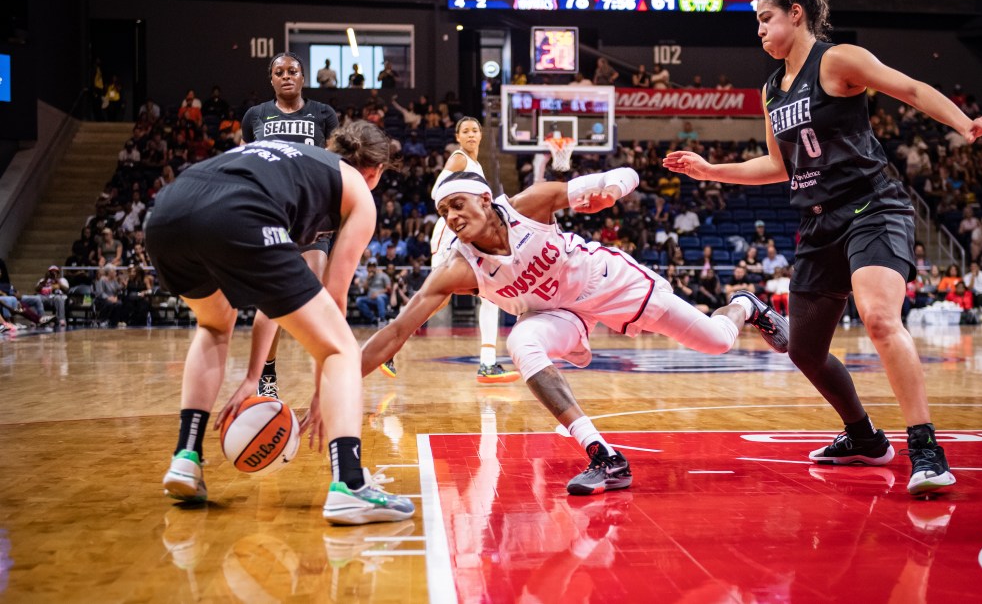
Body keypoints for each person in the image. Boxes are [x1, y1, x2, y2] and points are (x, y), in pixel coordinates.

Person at [663, 0, 982, 495]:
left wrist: (967, 124)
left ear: (795, 14)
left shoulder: (838, 60)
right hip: (819, 221)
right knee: (802, 349)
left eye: (764, 19)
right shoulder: (772, 89)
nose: (758, 30)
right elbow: (778, 167)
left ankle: (926, 448)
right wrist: (712, 171)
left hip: (872, 205)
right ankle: (865, 439)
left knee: (876, 316)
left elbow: (912, 89)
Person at [361, 170, 787, 495]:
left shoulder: (533, 203)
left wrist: (610, 191)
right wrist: (337, 380)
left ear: (486, 200)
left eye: (458, 204)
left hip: (605, 281)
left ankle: (745, 306)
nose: (452, 217)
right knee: (521, 341)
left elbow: (626, 176)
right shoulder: (457, 268)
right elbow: (397, 331)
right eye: (444, 211)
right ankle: (604, 456)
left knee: (716, 340)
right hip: (558, 313)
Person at [148, 127, 413, 525]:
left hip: (168, 211)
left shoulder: (291, 159)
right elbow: (335, 299)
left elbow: (274, 296)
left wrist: (255, 375)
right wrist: (324, 392)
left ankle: (186, 457)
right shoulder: (357, 189)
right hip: (236, 211)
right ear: (375, 171)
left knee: (215, 324)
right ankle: (350, 485)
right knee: (341, 346)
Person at [240, 53, 342, 399]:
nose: (286, 77)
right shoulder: (255, 116)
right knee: (273, 301)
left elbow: (335, 162)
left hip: (314, 218)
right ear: (271, 80)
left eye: (292, 71)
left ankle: (327, 373)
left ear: (303, 77)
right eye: (279, 72)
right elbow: (246, 162)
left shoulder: (323, 114)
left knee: (315, 293)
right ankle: (266, 374)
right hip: (272, 216)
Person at [429, 117, 519, 383]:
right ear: (458, 137)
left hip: (469, 232)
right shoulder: (458, 160)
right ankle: (392, 341)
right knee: (437, 296)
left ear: (481, 135)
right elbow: (437, 193)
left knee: (490, 294)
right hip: (450, 231)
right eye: (465, 131)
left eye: (474, 131)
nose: (470, 135)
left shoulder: (477, 166)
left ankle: (488, 363)